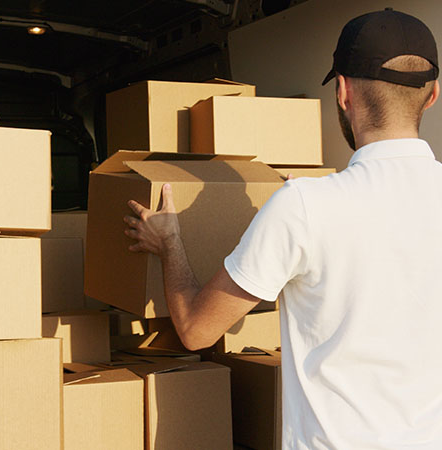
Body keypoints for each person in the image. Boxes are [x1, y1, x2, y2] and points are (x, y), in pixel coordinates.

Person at [123, 9, 442, 449]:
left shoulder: (305, 208)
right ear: (432, 95)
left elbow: (198, 330)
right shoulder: (311, 205)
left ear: (344, 92)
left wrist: (169, 242)